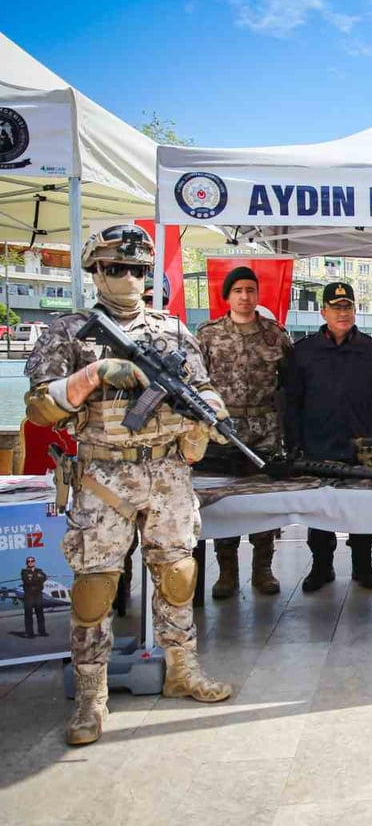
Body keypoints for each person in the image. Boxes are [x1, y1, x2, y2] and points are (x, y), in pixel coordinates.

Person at [25, 224, 232, 745]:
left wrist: (208, 418)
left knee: (179, 573)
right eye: (115, 268)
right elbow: (38, 406)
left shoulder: (173, 331)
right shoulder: (68, 331)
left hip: (167, 473)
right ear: (94, 270)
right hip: (102, 474)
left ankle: (182, 668)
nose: (127, 278)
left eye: (137, 270)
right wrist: (92, 375)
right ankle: (92, 699)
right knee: (95, 588)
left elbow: (204, 388)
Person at [286, 282, 372, 592]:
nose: (342, 313)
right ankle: (321, 568)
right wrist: (295, 442)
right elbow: (292, 401)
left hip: (361, 448)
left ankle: (363, 566)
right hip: (317, 446)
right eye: (336, 308)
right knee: (320, 512)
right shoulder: (304, 351)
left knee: (361, 510)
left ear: (354, 310)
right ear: (323, 312)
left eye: (347, 307)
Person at [196, 266, 292, 598]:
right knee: (226, 501)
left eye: (250, 290)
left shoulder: (275, 335)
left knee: (262, 500)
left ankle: (263, 570)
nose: (245, 296)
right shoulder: (208, 334)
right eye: (238, 290)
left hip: (264, 429)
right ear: (228, 296)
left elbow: (289, 384)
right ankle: (227, 572)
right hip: (223, 431)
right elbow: (196, 383)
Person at [20, 556, 47, 638]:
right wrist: (38, 579)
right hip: (29, 595)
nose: (30, 562)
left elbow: (44, 577)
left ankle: (42, 631)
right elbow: (27, 581)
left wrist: (34, 579)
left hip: (38, 595)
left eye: (32, 561)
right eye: (29, 561)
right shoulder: (24, 571)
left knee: (40, 614)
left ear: (34, 562)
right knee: (28, 615)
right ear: (26, 563)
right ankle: (29, 633)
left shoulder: (39, 570)